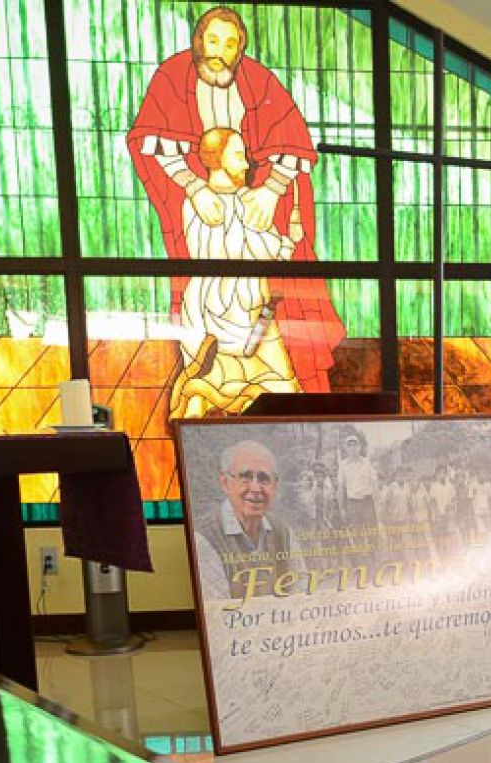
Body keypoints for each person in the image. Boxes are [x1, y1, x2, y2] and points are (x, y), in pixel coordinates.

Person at [127, 6, 345, 401]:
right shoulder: (172, 78)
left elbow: (292, 143)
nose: (220, 52)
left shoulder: (259, 81)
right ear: (199, 41)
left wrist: (271, 190)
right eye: (213, 41)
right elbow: (153, 145)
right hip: (220, 273)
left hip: (252, 241)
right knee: (247, 370)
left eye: (230, 44)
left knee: (270, 364)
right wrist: (195, 188)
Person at [171, 127, 301, 418]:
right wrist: (286, 242)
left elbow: (267, 256)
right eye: (239, 156)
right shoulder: (210, 204)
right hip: (222, 313)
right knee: (215, 393)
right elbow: (256, 253)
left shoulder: (232, 201)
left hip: (251, 314)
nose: (246, 164)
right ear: (216, 160)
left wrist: (288, 242)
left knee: (280, 396)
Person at [198, 439, 301, 599]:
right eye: (245, 477)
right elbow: (219, 610)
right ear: (225, 483)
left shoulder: (284, 533)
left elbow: (301, 598)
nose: (255, 488)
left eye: (264, 479)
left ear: (274, 485)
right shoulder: (204, 539)